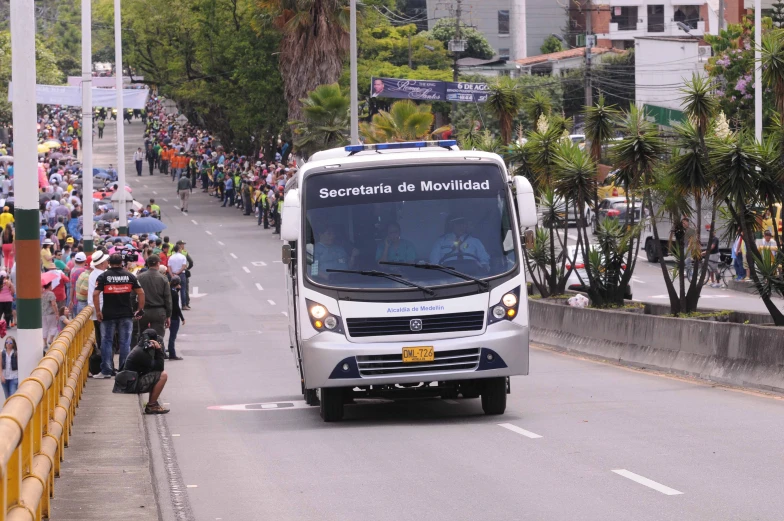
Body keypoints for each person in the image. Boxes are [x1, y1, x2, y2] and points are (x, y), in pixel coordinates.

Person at [92, 253, 145, 378]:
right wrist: (139, 309)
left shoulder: (103, 276)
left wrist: (98, 311)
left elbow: (95, 294)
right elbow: (141, 292)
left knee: (106, 342)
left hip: (108, 314)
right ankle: (123, 370)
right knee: (125, 343)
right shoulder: (129, 276)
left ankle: (106, 370)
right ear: (122, 263)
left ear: (109, 263)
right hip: (126, 314)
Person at [113, 328, 169, 415]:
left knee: (156, 374)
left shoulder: (140, 347)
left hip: (128, 382)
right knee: (163, 375)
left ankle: (153, 403)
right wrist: (158, 350)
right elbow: (160, 368)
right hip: (130, 385)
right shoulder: (143, 352)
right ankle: (152, 405)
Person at [137, 255, 171, 340]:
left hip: (143, 311)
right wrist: (168, 315)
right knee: (158, 337)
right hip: (159, 311)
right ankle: (157, 352)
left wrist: (136, 310)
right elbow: (167, 298)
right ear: (158, 264)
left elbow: (133, 295)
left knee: (143, 336)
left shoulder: (140, 277)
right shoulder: (163, 278)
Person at [167, 276, 185, 360]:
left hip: (169, 315)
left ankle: (170, 351)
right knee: (172, 336)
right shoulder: (174, 294)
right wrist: (182, 317)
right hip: (174, 316)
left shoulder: (169, 291)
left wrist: (177, 290)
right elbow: (177, 307)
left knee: (171, 335)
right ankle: (172, 353)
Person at [167, 245, 189, 310]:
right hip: (181, 274)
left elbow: (169, 267)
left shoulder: (171, 257)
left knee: (172, 290)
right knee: (183, 290)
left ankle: (173, 305)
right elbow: (184, 266)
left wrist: (171, 275)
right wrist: (178, 272)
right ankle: (184, 305)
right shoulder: (182, 257)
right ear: (179, 249)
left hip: (173, 275)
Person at [42, 281, 59, 349]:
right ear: (49, 286)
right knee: (53, 326)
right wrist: (57, 313)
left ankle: (45, 343)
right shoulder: (51, 294)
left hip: (43, 314)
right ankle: (51, 339)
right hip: (51, 313)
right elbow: (53, 304)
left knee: (45, 328)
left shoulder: (41, 294)